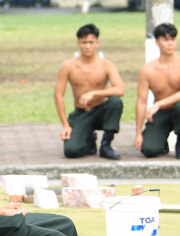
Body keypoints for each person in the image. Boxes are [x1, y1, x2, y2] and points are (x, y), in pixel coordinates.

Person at [54, 24, 126, 160]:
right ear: (78, 44)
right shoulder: (68, 66)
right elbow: (58, 95)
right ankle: (89, 139)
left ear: (97, 44)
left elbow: (120, 89)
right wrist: (65, 125)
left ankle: (106, 144)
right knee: (72, 151)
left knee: (115, 101)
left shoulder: (107, 65)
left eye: (91, 42)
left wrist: (95, 93)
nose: (88, 46)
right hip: (81, 113)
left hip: (101, 111)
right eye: (84, 42)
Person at [134, 23, 180, 159]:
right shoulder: (147, 70)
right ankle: (161, 143)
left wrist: (158, 104)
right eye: (165, 40)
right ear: (157, 42)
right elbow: (141, 102)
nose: (170, 44)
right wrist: (138, 133)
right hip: (161, 114)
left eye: (172, 39)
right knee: (149, 150)